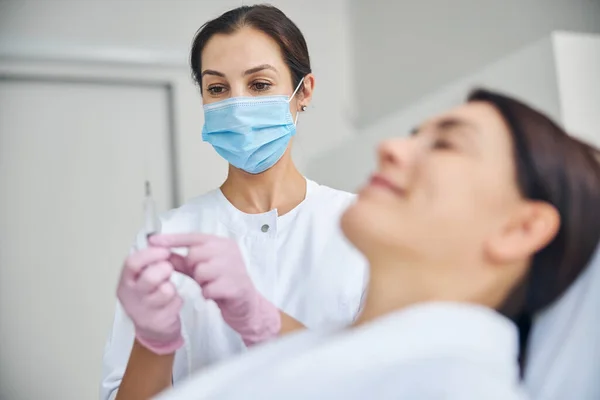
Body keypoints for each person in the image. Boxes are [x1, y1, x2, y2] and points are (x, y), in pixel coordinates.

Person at [154, 88, 600, 399]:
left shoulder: (458, 389)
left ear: (519, 230)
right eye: (413, 134)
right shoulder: (345, 364)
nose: (391, 147)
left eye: (445, 144)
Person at [100, 5, 367, 400]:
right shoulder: (167, 240)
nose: (237, 107)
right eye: (218, 88)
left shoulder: (360, 226)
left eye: (259, 85)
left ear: (304, 91)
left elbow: (391, 381)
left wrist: (261, 320)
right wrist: (154, 340)